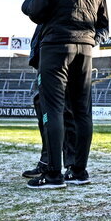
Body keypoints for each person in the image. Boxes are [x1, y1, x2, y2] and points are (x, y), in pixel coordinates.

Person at [21, 0, 109, 189]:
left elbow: (36, 12)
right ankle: (79, 171)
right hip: (86, 49)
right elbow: (104, 23)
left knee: (53, 108)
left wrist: (29, 5)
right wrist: (90, 39)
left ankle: (53, 175)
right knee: (82, 111)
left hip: (56, 46)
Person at [20, 24, 79, 183]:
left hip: (61, 58)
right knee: (44, 115)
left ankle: (71, 166)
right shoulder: (49, 11)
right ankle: (46, 162)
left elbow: (101, 27)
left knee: (65, 115)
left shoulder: (63, 6)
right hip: (45, 61)